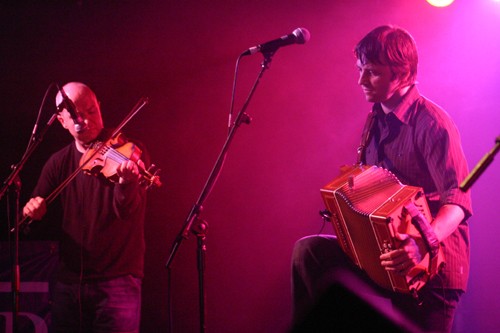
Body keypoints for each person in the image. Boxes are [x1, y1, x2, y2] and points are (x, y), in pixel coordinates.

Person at [291, 25, 472, 333]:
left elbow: (457, 201)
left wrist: (420, 242)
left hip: (433, 271)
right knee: (309, 253)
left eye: (372, 72)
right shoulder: (375, 118)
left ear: (401, 74)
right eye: (360, 70)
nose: (361, 81)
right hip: (389, 264)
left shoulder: (432, 123)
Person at [22, 82, 148, 333]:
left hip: (117, 282)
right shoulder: (58, 163)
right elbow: (32, 225)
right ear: (62, 121)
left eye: (91, 111)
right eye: (77, 116)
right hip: (69, 285)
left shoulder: (127, 151)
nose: (86, 120)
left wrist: (125, 183)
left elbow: (127, 212)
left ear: (99, 106)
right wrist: (32, 213)